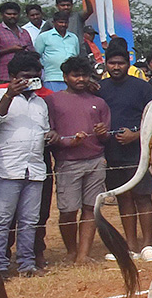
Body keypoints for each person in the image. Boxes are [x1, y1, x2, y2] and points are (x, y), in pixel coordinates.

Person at [0, 52, 53, 275]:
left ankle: (27, 264)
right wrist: (9, 95)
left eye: (36, 77)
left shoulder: (40, 103)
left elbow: (44, 131)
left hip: (34, 168)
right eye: (26, 77)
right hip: (6, 167)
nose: (32, 81)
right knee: (3, 219)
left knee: (30, 220)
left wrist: (50, 135)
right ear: (13, 76)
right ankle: (0, 266)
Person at [45, 57, 109, 264]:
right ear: (65, 77)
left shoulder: (98, 102)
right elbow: (50, 134)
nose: (80, 79)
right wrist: (68, 142)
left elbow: (106, 135)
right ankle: (71, 251)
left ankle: (83, 254)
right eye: (75, 75)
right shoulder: (53, 101)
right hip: (68, 162)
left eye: (84, 75)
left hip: (96, 160)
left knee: (91, 207)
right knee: (68, 210)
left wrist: (102, 132)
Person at [97, 45, 152, 260]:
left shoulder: (143, 88)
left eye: (120, 63)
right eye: (112, 63)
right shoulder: (100, 88)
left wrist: (136, 135)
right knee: (123, 198)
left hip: (138, 152)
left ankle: (148, 245)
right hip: (112, 153)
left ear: (128, 64)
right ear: (105, 64)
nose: (116, 67)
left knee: (143, 197)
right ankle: (130, 246)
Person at [33, 11, 80, 92]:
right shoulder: (44, 37)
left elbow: (76, 54)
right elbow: (36, 56)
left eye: (65, 22)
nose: (63, 25)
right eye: (60, 22)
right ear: (54, 23)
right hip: (52, 77)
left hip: (71, 78)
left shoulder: (73, 37)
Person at [0, 2, 34, 82]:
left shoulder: (24, 32)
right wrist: (10, 49)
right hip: (3, 76)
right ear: (2, 15)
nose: (12, 16)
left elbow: (32, 52)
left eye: (15, 14)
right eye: (8, 14)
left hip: (24, 77)